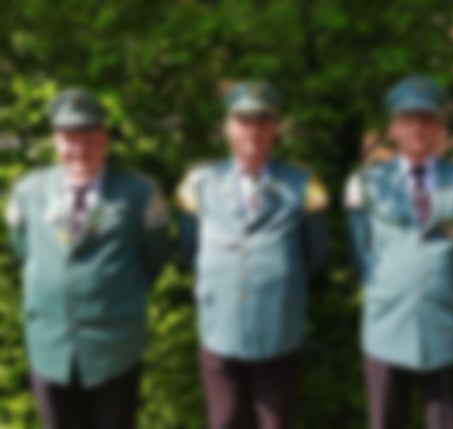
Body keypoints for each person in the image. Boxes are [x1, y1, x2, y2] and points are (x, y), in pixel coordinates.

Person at [5, 89, 169, 429]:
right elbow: (25, 250)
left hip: (114, 346)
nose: (80, 150)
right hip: (51, 345)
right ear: (55, 140)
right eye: (70, 139)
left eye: (90, 139)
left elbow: (154, 258)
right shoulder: (27, 191)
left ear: (106, 139)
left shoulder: (140, 192)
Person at [177, 81, 329, 429]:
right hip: (220, 328)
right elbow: (188, 250)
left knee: (275, 422)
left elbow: (316, 255)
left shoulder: (303, 184)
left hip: (279, 328)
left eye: (263, 122)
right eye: (243, 121)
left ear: (275, 129)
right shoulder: (200, 183)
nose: (253, 131)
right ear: (227, 127)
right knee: (225, 421)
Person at [345, 76, 453, 429]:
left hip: (446, 325)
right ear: (393, 128)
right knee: (386, 420)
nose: (417, 128)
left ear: (440, 128)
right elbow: (361, 254)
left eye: (427, 119)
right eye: (408, 119)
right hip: (387, 325)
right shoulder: (365, 184)